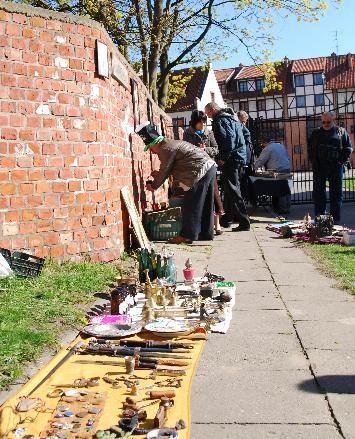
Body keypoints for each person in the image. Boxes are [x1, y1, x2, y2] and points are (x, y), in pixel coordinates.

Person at [136, 122, 217, 244]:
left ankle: (187, 235)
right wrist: (159, 175)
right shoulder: (168, 145)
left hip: (199, 170)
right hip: (208, 166)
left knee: (191, 202)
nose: (151, 151)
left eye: (150, 147)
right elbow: (171, 168)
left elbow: (165, 169)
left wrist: (153, 185)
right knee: (206, 203)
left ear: (155, 143)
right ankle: (206, 233)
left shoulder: (164, 149)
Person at [204, 102, 250, 232]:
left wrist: (223, 158)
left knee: (233, 189)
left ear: (213, 109)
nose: (208, 116)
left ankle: (244, 221)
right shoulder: (230, 118)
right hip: (237, 156)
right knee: (229, 189)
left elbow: (228, 140)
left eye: (208, 113)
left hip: (231, 159)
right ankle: (227, 219)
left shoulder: (221, 120)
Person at [183, 110, 224, 235]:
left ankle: (217, 224)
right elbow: (185, 149)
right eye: (200, 123)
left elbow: (216, 149)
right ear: (195, 122)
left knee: (214, 194)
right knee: (200, 197)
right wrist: (196, 150)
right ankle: (203, 226)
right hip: (195, 168)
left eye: (204, 122)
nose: (203, 125)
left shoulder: (209, 133)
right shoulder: (187, 133)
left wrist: (205, 149)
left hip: (209, 167)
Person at [308, 112, 352, 223]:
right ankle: (320, 218)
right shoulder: (316, 133)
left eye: (328, 122)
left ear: (333, 120)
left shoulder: (341, 132)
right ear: (321, 121)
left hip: (335, 167)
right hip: (320, 167)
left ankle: (334, 220)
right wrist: (313, 161)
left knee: (336, 194)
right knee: (318, 194)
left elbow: (348, 148)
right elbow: (310, 149)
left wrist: (340, 161)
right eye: (323, 122)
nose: (326, 124)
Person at [254, 138, 292, 214]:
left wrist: (254, 167)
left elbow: (261, 160)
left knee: (281, 190)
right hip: (286, 168)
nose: (262, 146)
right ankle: (287, 206)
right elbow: (288, 156)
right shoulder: (280, 146)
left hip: (278, 170)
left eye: (262, 144)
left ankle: (283, 209)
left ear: (265, 143)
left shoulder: (268, 148)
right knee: (286, 188)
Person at [237, 110, 254, 201]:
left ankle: (247, 199)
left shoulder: (242, 128)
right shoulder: (239, 127)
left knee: (245, 181)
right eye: (243, 121)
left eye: (245, 121)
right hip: (242, 160)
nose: (244, 123)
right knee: (242, 182)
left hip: (246, 159)